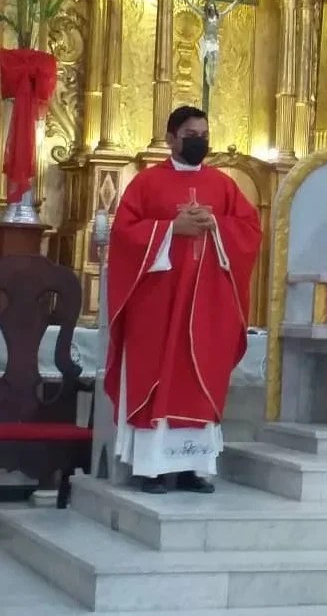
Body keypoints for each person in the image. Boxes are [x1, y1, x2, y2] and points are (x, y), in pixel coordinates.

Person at [105, 106, 261, 493]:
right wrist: (170, 228)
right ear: (172, 137)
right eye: (191, 134)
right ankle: (152, 468)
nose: (200, 141)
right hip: (157, 304)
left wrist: (217, 226)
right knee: (156, 380)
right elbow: (124, 234)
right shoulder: (146, 184)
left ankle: (192, 468)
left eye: (204, 134)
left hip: (207, 305)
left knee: (200, 379)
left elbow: (249, 230)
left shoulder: (223, 185)